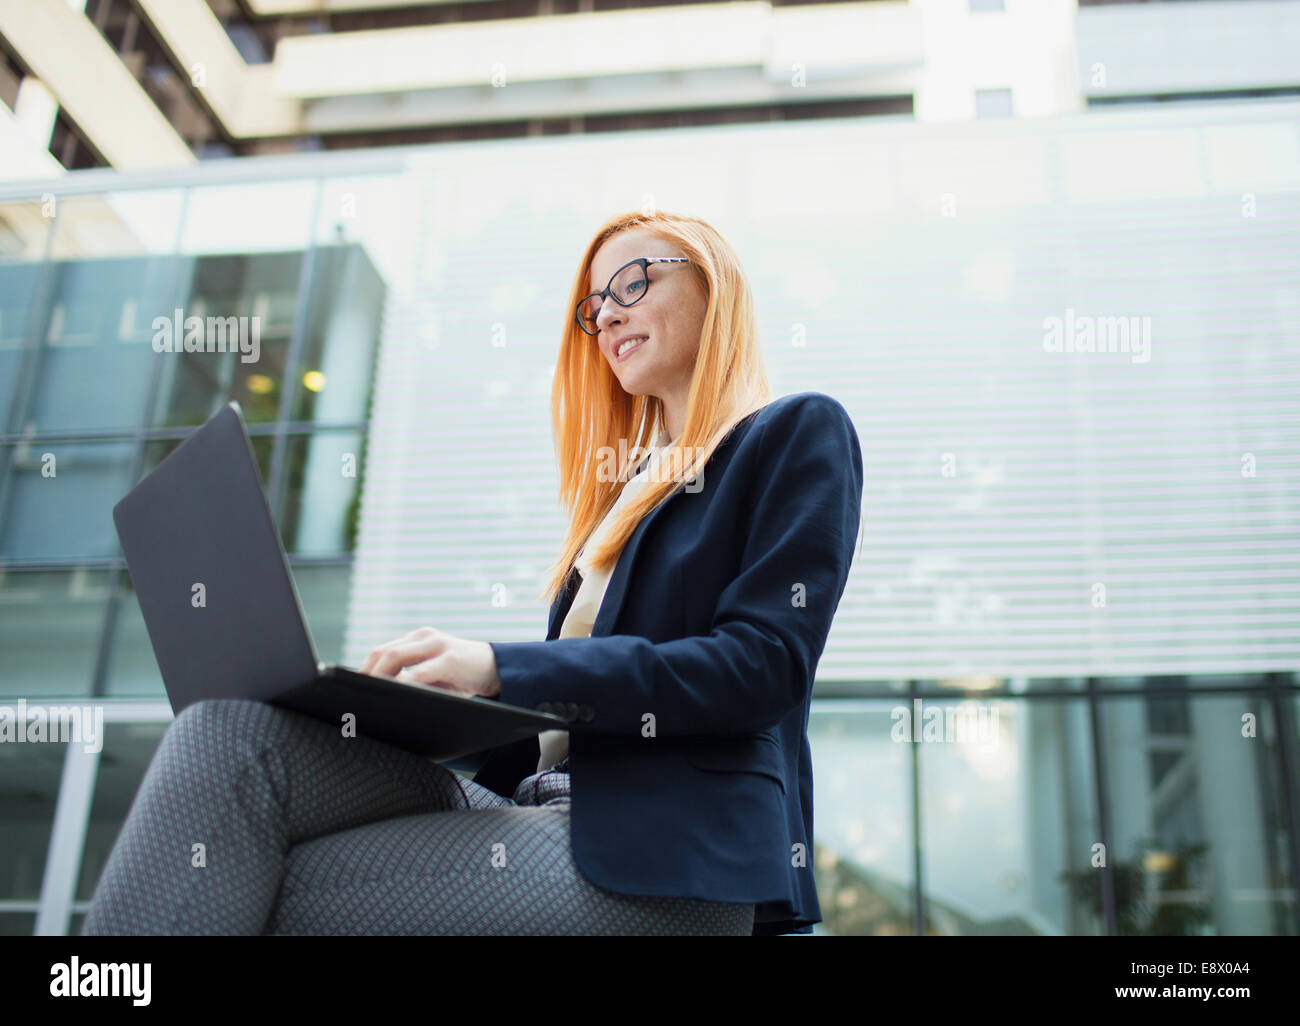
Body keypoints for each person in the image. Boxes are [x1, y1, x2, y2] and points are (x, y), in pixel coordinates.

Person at [81, 210, 863, 936]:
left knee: (274, 881)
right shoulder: (621, 496)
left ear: (712, 285)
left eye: (634, 282)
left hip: (669, 860)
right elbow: (560, 720)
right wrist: (397, 711)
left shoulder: (795, 432)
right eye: (594, 308)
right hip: (529, 804)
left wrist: (500, 666)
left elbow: (759, 667)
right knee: (233, 735)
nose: (609, 314)